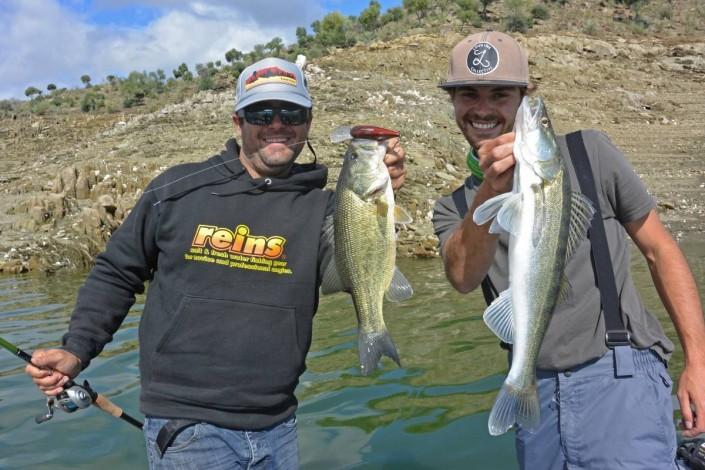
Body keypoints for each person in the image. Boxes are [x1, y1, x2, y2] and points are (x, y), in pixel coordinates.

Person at [25, 57, 406, 469]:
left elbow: (357, 259)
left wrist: (384, 184)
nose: (277, 123)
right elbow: (116, 273)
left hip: (279, 424)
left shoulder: (327, 208)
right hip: (188, 426)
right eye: (262, 112)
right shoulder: (177, 190)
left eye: (291, 113)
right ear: (237, 121)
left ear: (309, 121)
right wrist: (76, 350)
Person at [432, 31, 705, 469]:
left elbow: (660, 250)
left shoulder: (590, 154)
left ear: (525, 98)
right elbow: (463, 276)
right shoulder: (455, 206)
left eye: (500, 94)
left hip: (620, 376)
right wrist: (491, 188)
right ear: (453, 103)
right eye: (468, 94)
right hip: (532, 385)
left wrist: (698, 362)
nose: (483, 108)